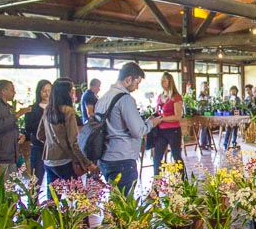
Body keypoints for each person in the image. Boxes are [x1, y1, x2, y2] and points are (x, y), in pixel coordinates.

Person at [95, 62, 161, 194]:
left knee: (115, 201)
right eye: (137, 83)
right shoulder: (125, 99)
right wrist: (151, 123)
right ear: (128, 79)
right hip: (122, 159)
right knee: (124, 207)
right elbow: (138, 131)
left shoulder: (103, 97)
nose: (137, 87)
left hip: (105, 157)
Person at [37, 78, 99, 199]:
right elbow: (74, 142)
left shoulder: (48, 110)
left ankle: (51, 218)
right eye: (72, 90)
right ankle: (80, 219)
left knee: (53, 199)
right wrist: (88, 164)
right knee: (80, 200)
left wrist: (53, 143)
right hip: (64, 160)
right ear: (66, 92)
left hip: (49, 159)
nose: (73, 94)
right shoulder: (68, 111)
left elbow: (40, 135)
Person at [153, 72, 184, 176]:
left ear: (170, 82)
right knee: (157, 158)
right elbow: (157, 112)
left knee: (176, 157)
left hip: (173, 130)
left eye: (164, 81)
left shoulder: (176, 97)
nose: (162, 83)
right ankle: (156, 185)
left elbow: (177, 116)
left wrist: (162, 119)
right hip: (161, 131)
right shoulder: (159, 97)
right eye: (161, 80)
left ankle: (183, 183)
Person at [24, 79, 51, 187]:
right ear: (39, 92)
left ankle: (52, 203)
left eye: (49, 90)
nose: (47, 93)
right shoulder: (33, 109)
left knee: (53, 180)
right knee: (36, 178)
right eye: (44, 91)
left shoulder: (56, 108)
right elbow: (29, 128)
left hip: (53, 148)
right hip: (38, 147)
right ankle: (33, 202)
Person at [223, 86, 241, 150]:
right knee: (229, 129)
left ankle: (234, 142)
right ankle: (225, 143)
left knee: (235, 129)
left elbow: (239, 107)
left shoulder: (238, 99)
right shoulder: (227, 98)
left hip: (236, 115)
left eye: (234, 90)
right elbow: (225, 106)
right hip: (229, 115)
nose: (233, 92)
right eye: (232, 90)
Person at [198, 81, 212, 150]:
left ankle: (209, 144)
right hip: (202, 115)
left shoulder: (207, 96)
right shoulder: (201, 96)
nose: (206, 88)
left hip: (208, 114)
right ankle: (203, 144)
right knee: (204, 129)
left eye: (207, 86)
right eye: (205, 86)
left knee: (208, 129)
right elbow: (201, 106)